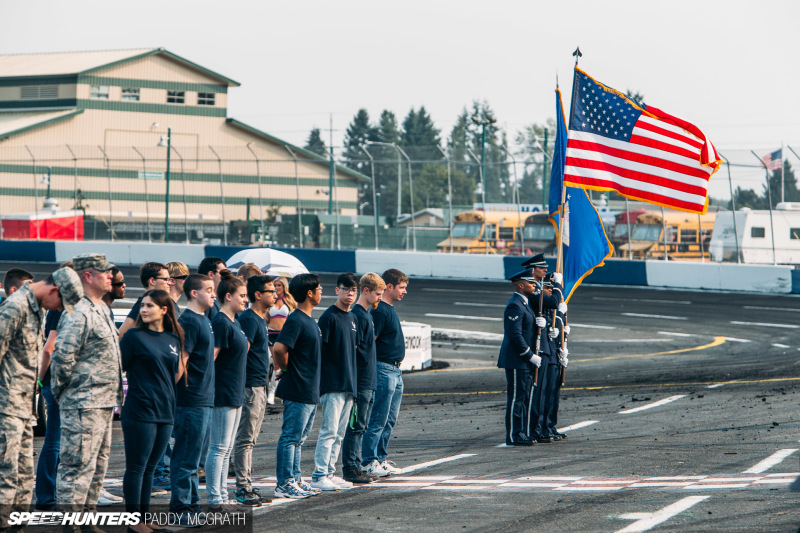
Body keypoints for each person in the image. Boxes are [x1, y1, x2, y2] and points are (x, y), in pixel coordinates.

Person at [0, 267, 82, 529]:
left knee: (24, 474)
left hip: (24, 406)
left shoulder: (37, 308)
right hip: (7, 405)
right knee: (7, 471)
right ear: (54, 290)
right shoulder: (15, 307)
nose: (59, 308)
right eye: (61, 302)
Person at [51, 253, 124, 520]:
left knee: (97, 466)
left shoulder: (101, 307)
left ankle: (88, 520)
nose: (110, 276)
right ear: (87, 276)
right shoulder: (78, 311)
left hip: (103, 401)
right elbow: (62, 358)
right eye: (103, 272)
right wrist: (64, 393)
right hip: (83, 402)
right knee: (76, 467)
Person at [120, 290, 184, 533]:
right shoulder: (133, 336)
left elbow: (174, 374)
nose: (143, 310)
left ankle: (144, 519)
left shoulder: (173, 339)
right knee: (136, 467)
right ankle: (133, 523)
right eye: (142, 306)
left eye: (149, 305)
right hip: (139, 410)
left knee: (149, 467)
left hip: (166, 411)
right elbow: (119, 368)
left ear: (164, 310)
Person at [272, 274, 324, 499]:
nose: (322, 291)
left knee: (299, 439)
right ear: (309, 293)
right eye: (319, 289)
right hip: (298, 387)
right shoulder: (296, 320)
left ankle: (295, 478)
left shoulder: (309, 320)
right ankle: (284, 483)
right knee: (290, 437)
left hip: (309, 388)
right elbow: (279, 349)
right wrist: (283, 370)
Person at [170, 274, 216, 521]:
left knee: (196, 460)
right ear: (194, 293)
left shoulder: (204, 320)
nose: (214, 294)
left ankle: (192, 506)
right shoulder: (189, 321)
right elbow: (180, 363)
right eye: (209, 289)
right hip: (191, 400)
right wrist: (169, 395)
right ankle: (180, 509)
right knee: (186, 457)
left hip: (204, 399)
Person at [310, 273, 359, 491]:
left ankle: (330, 471)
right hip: (332, 383)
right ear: (337, 290)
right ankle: (319, 474)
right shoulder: (329, 317)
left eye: (353, 290)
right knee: (328, 431)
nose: (350, 293)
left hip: (349, 383)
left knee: (340, 433)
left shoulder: (352, 318)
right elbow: (321, 351)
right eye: (346, 289)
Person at [206, 270, 249, 511]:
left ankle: (221, 493)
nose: (245, 299)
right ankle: (215, 497)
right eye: (242, 295)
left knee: (226, 448)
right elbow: (210, 360)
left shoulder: (235, 321)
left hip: (234, 392)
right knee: (219, 447)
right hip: (223, 393)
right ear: (228, 296)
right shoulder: (221, 322)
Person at [233, 275, 277, 506]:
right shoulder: (250, 319)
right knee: (245, 439)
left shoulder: (259, 319)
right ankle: (242, 486)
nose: (275, 294)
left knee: (250, 439)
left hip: (259, 385)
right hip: (250, 387)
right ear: (257, 295)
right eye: (270, 291)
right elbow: (242, 352)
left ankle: (246, 484)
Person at [362, 269, 408, 477]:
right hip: (384, 369)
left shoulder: (389, 308)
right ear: (389, 287)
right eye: (402, 287)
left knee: (389, 419)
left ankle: (380, 458)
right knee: (378, 418)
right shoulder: (380, 311)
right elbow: (370, 341)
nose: (404, 292)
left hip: (395, 371)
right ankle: (369, 460)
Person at [341, 272, 385, 484]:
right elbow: (355, 349)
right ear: (366, 290)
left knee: (361, 426)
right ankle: (350, 467)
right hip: (361, 381)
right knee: (355, 426)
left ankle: (355, 465)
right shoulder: (358, 315)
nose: (380, 297)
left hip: (369, 379)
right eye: (377, 293)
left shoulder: (366, 314)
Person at [525, 254, 567, 444]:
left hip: (548, 347)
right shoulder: (533, 291)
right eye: (541, 268)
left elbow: (552, 307)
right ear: (533, 269)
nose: (545, 270)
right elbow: (552, 302)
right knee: (539, 393)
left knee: (550, 392)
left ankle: (546, 426)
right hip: (537, 348)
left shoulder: (540, 289)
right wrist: (558, 286)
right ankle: (536, 428)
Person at [497, 268, 541, 446]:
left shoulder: (524, 303)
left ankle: (521, 432)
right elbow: (515, 335)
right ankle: (514, 435)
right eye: (531, 283)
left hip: (523, 361)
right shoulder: (515, 304)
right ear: (521, 286)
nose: (534, 285)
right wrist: (530, 355)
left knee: (523, 397)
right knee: (516, 398)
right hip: (517, 360)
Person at [119, 262, 175, 337]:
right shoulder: (140, 306)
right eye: (166, 279)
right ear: (152, 281)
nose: (169, 283)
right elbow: (121, 335)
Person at [266, 277, 295, 405]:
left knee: (283, 364)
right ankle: (271, 392)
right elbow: (266, 317)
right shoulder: (270, 300)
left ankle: (280, 391)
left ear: (284, 287)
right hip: (271, 334)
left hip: (284, 335)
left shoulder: (289, 301)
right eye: (275, 285)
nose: (277, 288)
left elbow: (293, 316)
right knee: (273, 363)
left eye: (279, 285)